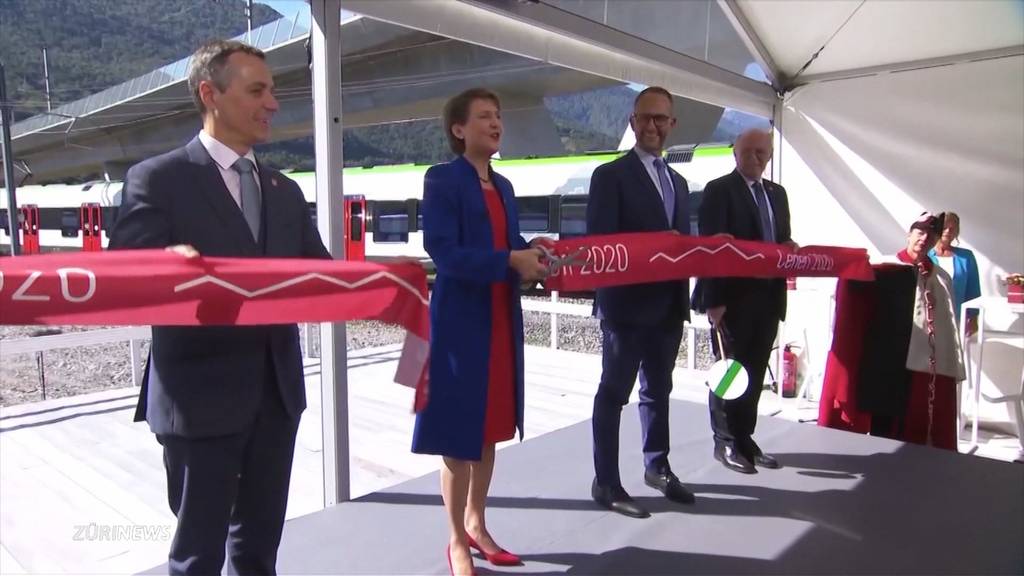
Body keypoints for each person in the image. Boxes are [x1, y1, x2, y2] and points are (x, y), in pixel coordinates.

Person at [109, 40, 330, 574]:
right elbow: (122, 275)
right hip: (199, 401)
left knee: (258, 553)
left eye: (273, 90)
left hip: (277, 400)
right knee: (197, 558)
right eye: (258, 90)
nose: (273, 103)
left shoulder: (284, 190)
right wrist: (163, 262)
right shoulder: (158, 179)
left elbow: (323, 277)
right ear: (210, 93)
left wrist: (395, 285)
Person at [411, 88, 549, 576]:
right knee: (457, 433)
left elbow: (508, 246)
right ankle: (455, 541)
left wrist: (533, 249)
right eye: (485, 117)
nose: (496, 124)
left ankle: (477, 522)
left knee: (491, 428)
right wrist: (509, 259)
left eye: (499, 115)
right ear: (459, 129)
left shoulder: (505, 186)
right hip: (458, 324)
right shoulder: (443, 179)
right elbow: (444, 252)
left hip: (499, 319)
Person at [585, 86, 696, 519]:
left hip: (669, 307)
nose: (653, 126)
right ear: (633, 123)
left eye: (661, 119)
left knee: (658, 390)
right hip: (626, 309)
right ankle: (606, 481)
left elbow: (682, 246)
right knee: (614, 394)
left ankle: (658, 466)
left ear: (672, 125)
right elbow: (601, 244)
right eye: (645, 118)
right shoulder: (609, 176)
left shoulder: (680, 183)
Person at [693, 128, 797, 474]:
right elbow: (710, 248)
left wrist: (790, 249)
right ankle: (724, 441)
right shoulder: (719, 190)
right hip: (732, 300)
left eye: (762, 153)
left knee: (753, 372)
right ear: (735, 154)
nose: (755, 158)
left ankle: (744, 437)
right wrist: (714, 300)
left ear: (769, 156)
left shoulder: (777, 194)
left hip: (768, 298)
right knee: (729, 371)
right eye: (749, 152)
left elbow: (780, 238)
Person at [891, 212, 965, 449]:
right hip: (899, 359)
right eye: (920, 232)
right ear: (909, 234)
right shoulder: (889, 268)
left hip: (933, 363)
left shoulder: (941, 277)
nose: (924, 239)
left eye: (930, 236)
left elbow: (948, 321)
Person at [928, 212, 981, 335]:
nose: (948, 231)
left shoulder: (966, 257)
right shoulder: (925, 255)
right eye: (944, 227)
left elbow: (973, 291)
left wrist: (973, 319)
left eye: (952, 228)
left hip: (956, 319)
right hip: (929, 319)